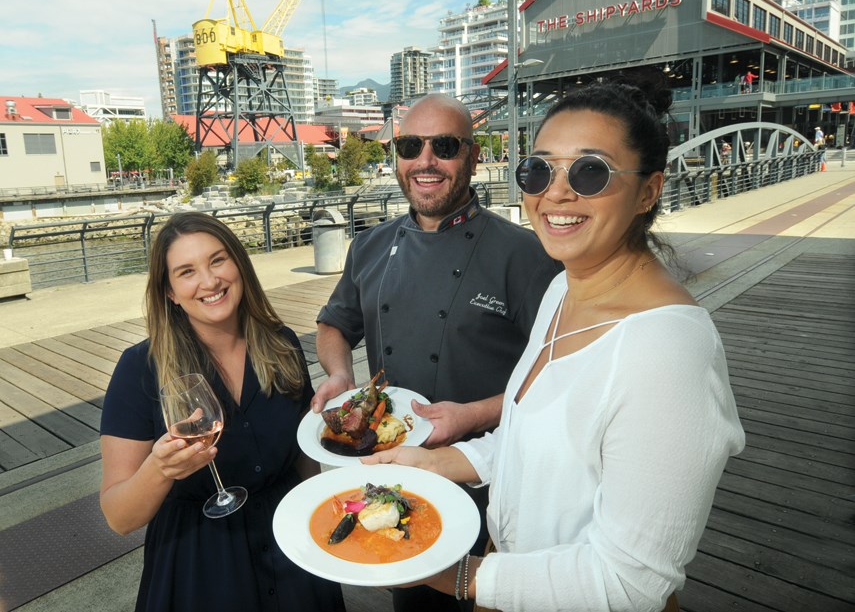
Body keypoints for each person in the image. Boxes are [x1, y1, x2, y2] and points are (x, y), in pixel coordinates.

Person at [365, 75, 746, 612]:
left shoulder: (668, 352)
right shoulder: (565, 287)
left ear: (649, 191)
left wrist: (450, 574)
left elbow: (629, 585)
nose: (556, 192)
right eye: (539, 169)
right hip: (510, 580)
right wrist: (434, 464)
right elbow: (532, 441)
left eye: (592, 171)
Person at [313, 92, 562, 612]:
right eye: (410, 145)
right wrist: (338, 376)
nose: (425, 161)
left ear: (472, 156)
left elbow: (559, 375)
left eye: (444, 146)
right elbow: (334, 324)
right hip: (401, 474)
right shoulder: (370, 246)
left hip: (493, 477)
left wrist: (473, 413)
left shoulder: (525, 255)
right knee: (415, 600)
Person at [99, 212, 344, 612]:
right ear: (171, 292)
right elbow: (118, 517)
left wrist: (323, 517)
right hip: (201, 565)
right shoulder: (140, 369)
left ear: (239, 265)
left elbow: (301, 457)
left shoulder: (281, 344)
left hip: (293, 551)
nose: (209, 282)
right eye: (187, 271)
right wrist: (160, 470)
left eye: (217, 260)